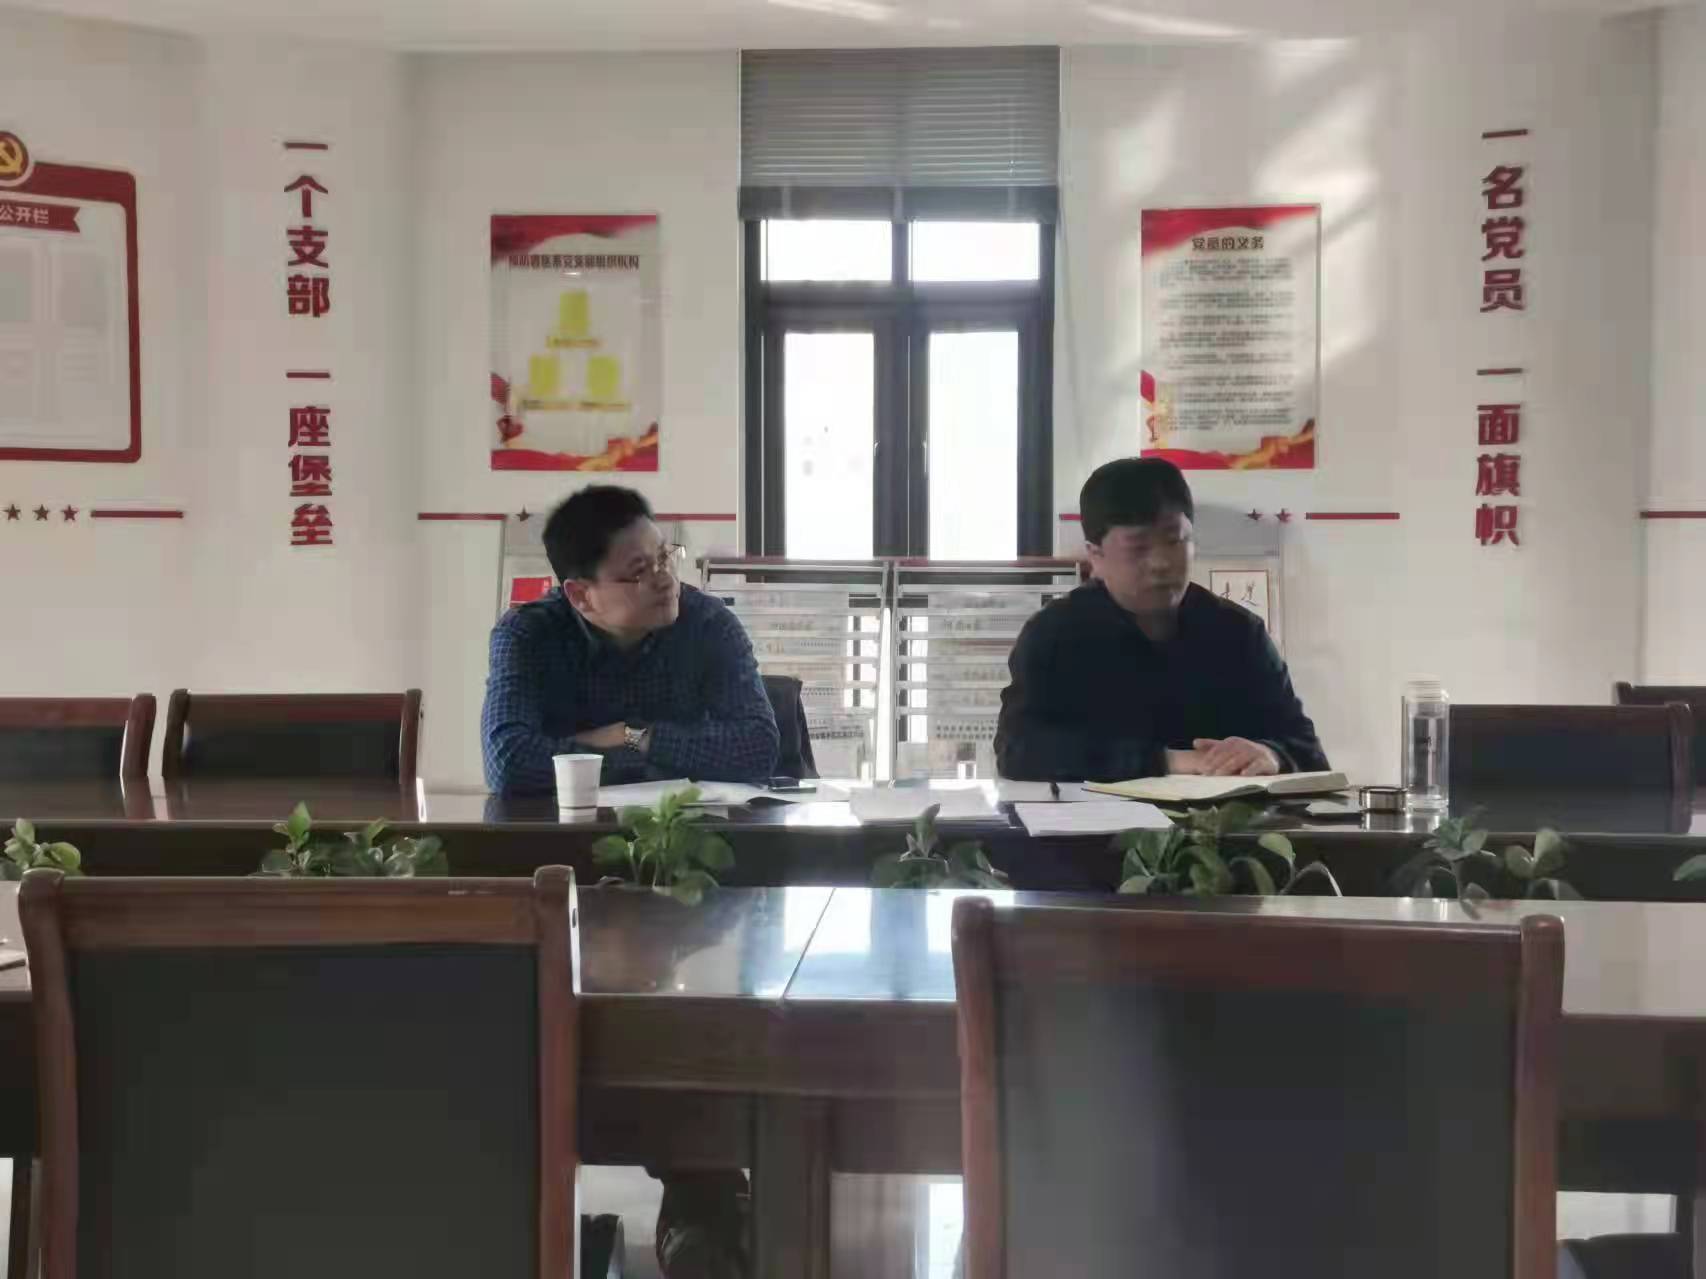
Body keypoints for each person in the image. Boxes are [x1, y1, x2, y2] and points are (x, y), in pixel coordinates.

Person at [995, 458, 1327, 782]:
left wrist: (1271, 755)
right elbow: (1018, 750)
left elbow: (1307, 751)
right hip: (1100, 819)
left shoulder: (1238, 632)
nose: (1161, 563)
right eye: (1138, 548)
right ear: (1095, 554)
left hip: (1223, 819)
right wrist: (1166, 761)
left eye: (1174, 541)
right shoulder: (1054, 634)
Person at [481, 484, 779, 792]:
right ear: (581, 595)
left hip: (686, 818)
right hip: (567, 820)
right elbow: (507, 764)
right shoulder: (528, 634)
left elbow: (760, 748)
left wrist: (632, 736)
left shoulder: (708, 623)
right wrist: (649, 764)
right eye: (639, 572)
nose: (666, 579)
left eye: (664, 557)